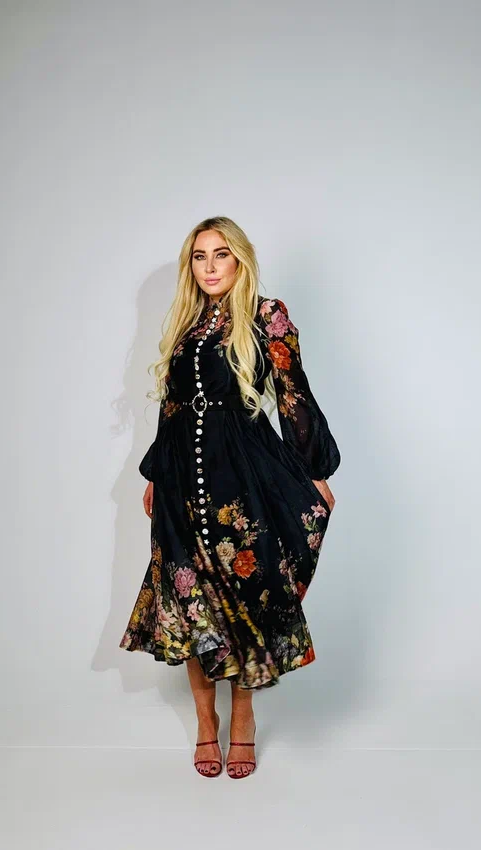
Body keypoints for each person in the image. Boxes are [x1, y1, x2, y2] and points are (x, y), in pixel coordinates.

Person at [119, 216, 341, 779]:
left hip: (240, 482)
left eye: (221, 254)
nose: (210, 266)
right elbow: (173, 407)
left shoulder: (267, 316)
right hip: (179, 483)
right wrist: (154, 473)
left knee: (246, 599)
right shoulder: (186, 322)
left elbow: (292, 391)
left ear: (239, 259)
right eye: (200, 256)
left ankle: (243, 720)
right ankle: (205, 724)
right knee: (189, 602)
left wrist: (315, 471)